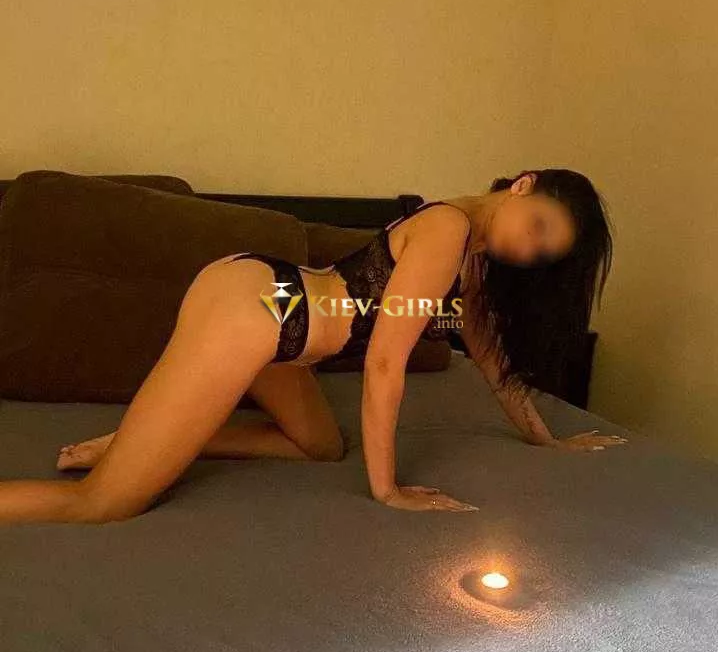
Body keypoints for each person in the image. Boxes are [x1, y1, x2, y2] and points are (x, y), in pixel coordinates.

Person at [0, 168, 625, 525]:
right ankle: (133, 454)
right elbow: (385, 362)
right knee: (100, 505)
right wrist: (388, 491)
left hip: (277, 312)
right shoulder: (448, 229)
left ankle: (139, 440)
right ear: (523, 184)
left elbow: (491, 363)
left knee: (321, 447)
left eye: (542, 252)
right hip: (260, 310)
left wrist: (547, 439)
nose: (528, 248)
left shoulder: (474, 260)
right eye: (537, 226)